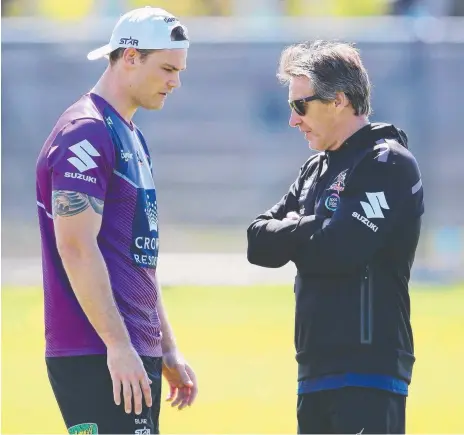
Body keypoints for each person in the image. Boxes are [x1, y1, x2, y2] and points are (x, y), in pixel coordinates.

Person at [246, 40, 424, 434]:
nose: (293, 120)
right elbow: (257, 242)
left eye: (300, 106)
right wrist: (315, 221)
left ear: (339, 99)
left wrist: (298, 229)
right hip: (313, 368)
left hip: (369, 370)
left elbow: (339, 250)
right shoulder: (314, 169)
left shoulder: (388, 162)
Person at [35, 7, 197, 434]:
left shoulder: (130, 134)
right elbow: (75, 246)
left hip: (129, 348)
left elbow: (137, 256)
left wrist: (166, 346)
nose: (175, 81)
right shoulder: (84, 132)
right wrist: (118, 345)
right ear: (128, 57)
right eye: (166, 68)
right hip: (96, 352)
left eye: (178, 70)